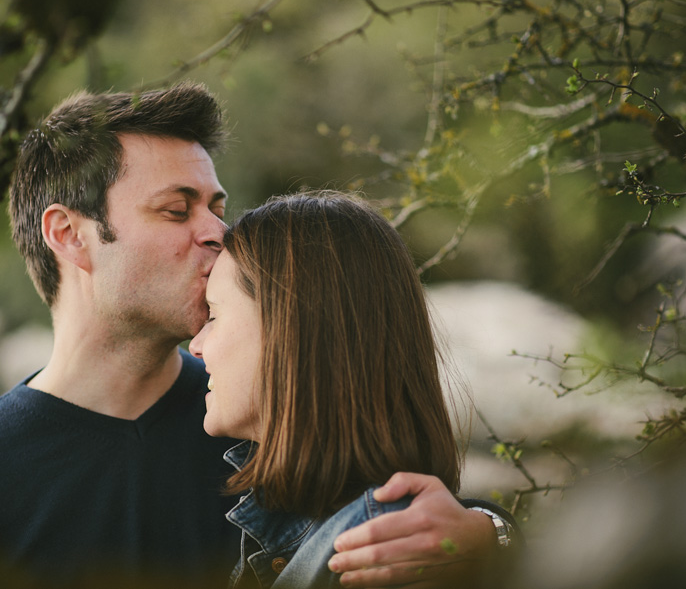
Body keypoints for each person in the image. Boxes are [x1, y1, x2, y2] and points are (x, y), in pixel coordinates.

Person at [0, 82, 514, 587]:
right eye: (176, 208)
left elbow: (394, 511)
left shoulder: (265, 410)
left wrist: (487, 534)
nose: (217, 230)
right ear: (70, 235)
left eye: (217, 205)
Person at [188, 191, 514, 588]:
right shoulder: (303, 517)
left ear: (291, 330)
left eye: (214, 314)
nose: (197, 345)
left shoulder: (381, 551)